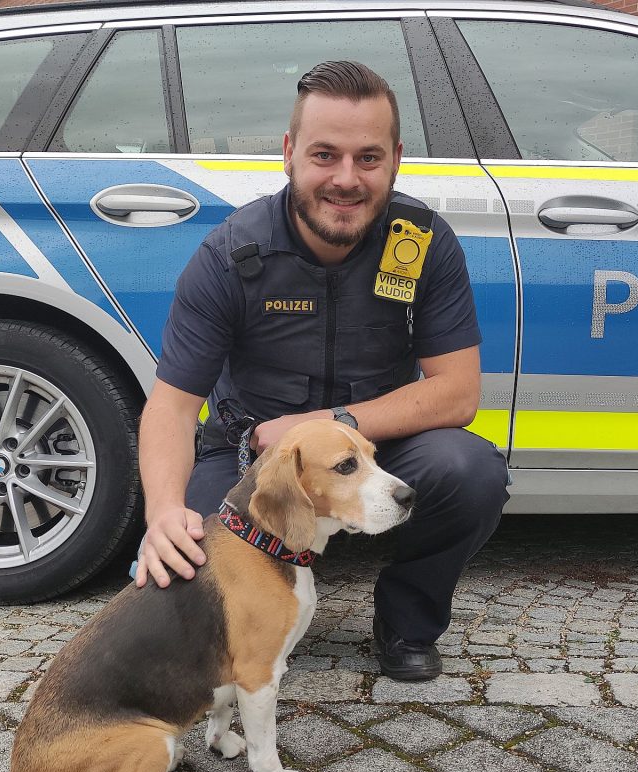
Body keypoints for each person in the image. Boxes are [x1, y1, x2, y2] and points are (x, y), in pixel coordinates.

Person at [135, 60, 509, 681]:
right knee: (190, 568)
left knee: (469, 471)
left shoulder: (421, 242)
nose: (346, 179)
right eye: (324, 155)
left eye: (368, 157)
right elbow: (171, 408)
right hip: (248, 456)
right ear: (288, 154)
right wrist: (163, 513)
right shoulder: (231, 255)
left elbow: (458, 392)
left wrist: (325, 425)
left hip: (374, 447)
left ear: (396, 159)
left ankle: (406, 622)